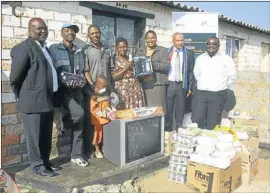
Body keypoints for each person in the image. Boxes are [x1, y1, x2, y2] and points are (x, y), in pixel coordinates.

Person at [9, 18, 61, 177]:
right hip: (32, 101)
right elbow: (15, 78)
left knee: (45, 135)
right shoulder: (23, 48)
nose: (42, 31)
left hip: (47, 99)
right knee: (34, 136)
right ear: (29, 29)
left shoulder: (44, 48)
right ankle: (37, 166)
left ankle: (45, 162)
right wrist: (24, 95)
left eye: (44, 28)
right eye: (38, 28)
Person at [49, 24, 89, 167]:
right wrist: (62, 82)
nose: (70, 33)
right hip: (62, 92)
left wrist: (81, 81)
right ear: (62, 33)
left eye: (73, 31)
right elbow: (51, 71)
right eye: (67, 30)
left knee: (80, 122)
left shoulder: (79, 52)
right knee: (79, 114)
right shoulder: (54, 49)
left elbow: (82, 72)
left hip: (77, 91)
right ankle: (65, 122)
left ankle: (76, 155)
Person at [82, 25, 119, 157]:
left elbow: (111, 70)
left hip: (107, 91)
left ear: (100, 34)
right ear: (88, 35)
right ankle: (94, 149)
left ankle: (106, 147)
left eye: (97, 33)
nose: (95, 35)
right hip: (94, 92)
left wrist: (113, 89)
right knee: (95, 122)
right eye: (92, 33)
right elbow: (86, 71)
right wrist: (92, 86)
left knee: (106, 119)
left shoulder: (108, 50)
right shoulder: (86, 51)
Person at [192, 37, 237, 130]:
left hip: (217, 95)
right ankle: (199, 141)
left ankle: (210, 142)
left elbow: (232, 76)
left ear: (218, 46)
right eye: (209, 44)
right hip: (201, 94)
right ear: (206, 45)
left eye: (214, 44)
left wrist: (222, 86)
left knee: (213, 122)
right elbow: (197, 74)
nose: (211, 46)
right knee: (198, 119)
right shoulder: (200, 59)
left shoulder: (226, 59)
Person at [165, 33, 195, 131]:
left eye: (182, 40)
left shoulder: (189, 53)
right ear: (173, 41)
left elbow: (191, 71)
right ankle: (168, 129)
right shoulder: (167, 52)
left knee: (180, 109)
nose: (180, 42)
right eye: (178, 40)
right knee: (168, 108)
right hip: (169, 85)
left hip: (182, 85)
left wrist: (190, 87)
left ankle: (178, 127)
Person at [134, 30, 170, 112]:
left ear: (156, 39)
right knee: (146, 109)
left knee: (158, 110)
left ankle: (160, 125)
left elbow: (166, 66)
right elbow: (136, 65)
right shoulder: (140, 50)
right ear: (145, 40)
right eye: (148, 38)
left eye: (153, 38)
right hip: (144, 84)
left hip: (158, 85)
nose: (151, 40)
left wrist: (151, 64)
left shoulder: (162, 50)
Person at [112, 37, 145, 109]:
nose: (122, 49)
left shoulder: (131, 59)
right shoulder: (114, 60)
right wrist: (127, 67)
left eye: (124, 47)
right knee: (126, 111)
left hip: (135, 89)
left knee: (136, 112)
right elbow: (114, 77)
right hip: (123, 90)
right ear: (116, 48)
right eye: (120, 47)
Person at [90, 75, 117, 158]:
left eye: (105, 86)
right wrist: (101, 114)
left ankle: (105, 148)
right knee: (98, 135)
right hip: (99, 120)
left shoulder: (105, 94)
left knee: (106, 134)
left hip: (106, 119)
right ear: (97, 85)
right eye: (103, 86)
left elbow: (107, 104)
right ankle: (97, 149)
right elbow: (93, 109)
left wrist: (112, 109)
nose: (105, 88)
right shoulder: (94, 97)